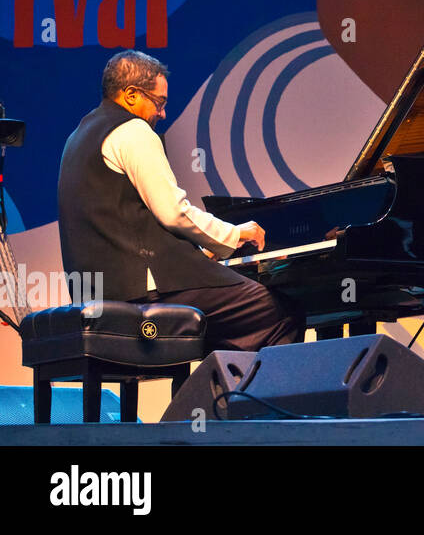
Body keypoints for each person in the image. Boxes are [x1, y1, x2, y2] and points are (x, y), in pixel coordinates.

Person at [58, 50, 303, 352]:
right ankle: (236, 399)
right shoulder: (132, 131)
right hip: (142, 291)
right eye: (159, 102)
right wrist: (234, 234)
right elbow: (172, 212)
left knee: (221, 327)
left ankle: (217, 394)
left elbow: (124, 219)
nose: (162, 113)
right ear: (131, 95)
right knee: (277, 311)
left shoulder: (78, 137)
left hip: (97, 292)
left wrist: (199, 250)